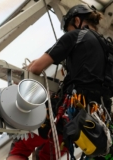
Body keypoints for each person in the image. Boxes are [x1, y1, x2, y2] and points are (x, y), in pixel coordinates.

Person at [7, 4, 112, 160]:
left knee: (19, 149)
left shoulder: (77, 35)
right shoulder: (109, 49)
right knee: (47, 156)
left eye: (68, 29)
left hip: (66, 114)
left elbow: (36, 68)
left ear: (77, 21)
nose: (69, 33)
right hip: (87, 124)